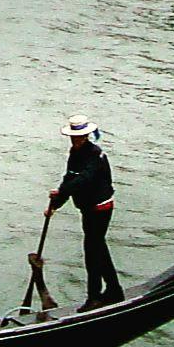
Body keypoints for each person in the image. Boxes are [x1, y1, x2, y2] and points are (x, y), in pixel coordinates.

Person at [49, 116, 123, 308]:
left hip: (100, 208)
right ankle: (114, 290)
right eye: (73, 137)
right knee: (98, 248)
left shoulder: (95, 155)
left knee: (92, 251)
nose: (75, 140)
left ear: (86, 136)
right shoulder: (74, 153)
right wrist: (56, 204)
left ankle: (94, 297)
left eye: (79, 137)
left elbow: (84, 179)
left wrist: (62, 192)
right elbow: (69, 178)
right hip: (87, 208)